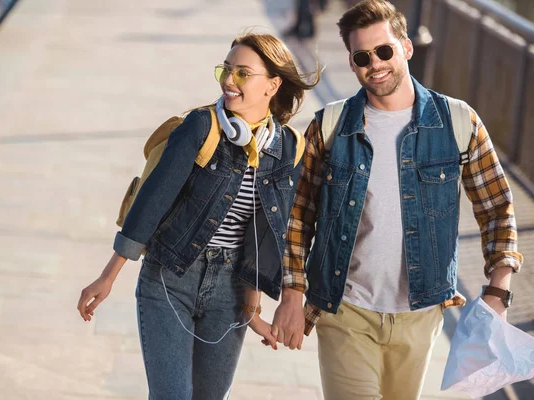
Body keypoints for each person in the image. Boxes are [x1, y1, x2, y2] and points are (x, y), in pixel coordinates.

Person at [271, 1, 524, 399]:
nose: (375, 63)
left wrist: (497, 290)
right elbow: (298, 215)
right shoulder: (330, 126)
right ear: (352, 64)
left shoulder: (458, 122)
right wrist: (292, 292)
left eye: (384, 50)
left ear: (406, 47)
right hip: (345, 311)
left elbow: (497, 208)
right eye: (362, 56)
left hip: (421, 315)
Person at [77, 32, 319, 399]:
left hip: (231, 291)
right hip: (170, 279)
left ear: (273, 84)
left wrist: (252, 309)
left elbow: (265, 234)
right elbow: (151, 204)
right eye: (226, 70)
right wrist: (107, 277)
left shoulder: (288, 149)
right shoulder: (201, 127)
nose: (228, 81)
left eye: (242, 73)